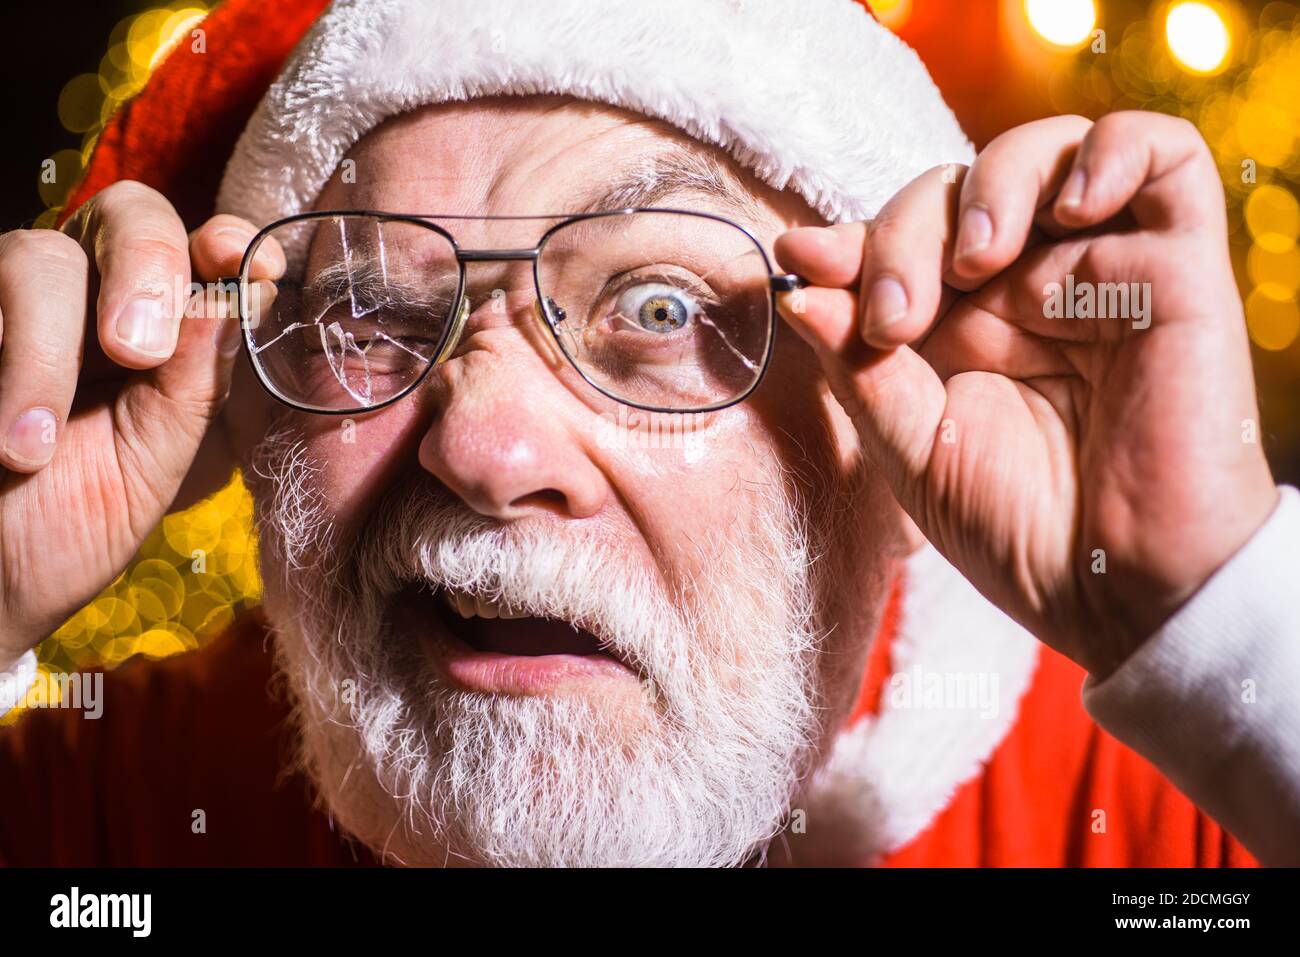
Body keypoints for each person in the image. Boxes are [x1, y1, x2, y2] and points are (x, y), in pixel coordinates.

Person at [0, 0, 1296, 867]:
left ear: (884, 425)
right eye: (371, 313)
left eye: (663, 308)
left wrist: (1215, 604)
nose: (486, 451)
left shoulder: (1178, 801)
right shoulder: (127, 804)